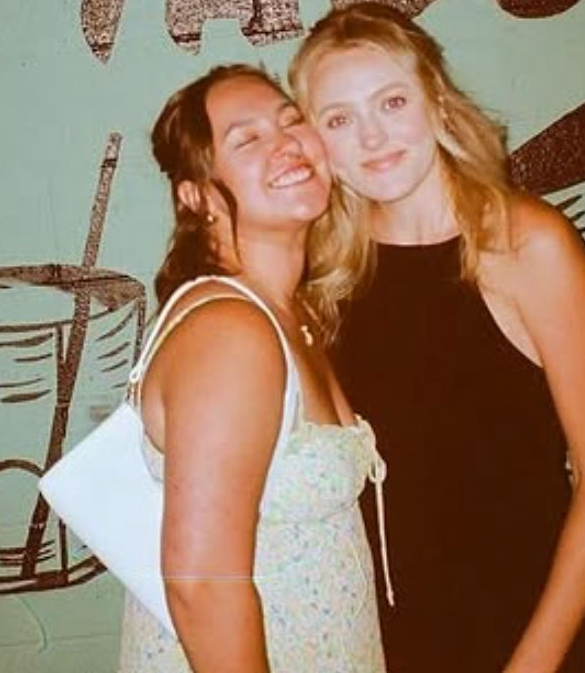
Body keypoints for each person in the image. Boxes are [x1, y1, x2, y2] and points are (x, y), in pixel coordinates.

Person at [288, 3, 585, 673]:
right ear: (316, 143)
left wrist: (531, 666)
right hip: (384, 646)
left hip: (525, 633)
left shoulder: (528, 245)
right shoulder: (325, 274)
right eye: (339, 119)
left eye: (391, 102)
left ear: (437, 104)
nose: (372, 136)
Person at [118, 63, 392, 673]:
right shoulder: (230, 332)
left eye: (290, 121)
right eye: (247, 139)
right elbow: (201, 585)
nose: (286, 143)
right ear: (195, 194)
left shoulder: (290, 314)